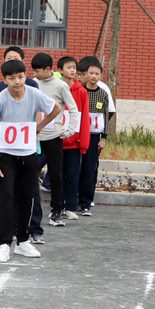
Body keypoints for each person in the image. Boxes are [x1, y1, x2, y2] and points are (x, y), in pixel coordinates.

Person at [0, 58, 62, 263]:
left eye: (20, 77)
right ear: (5, 79)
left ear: (25, 75)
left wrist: (39, 126)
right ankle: (3, 244)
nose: (17, 82)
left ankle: (23, 241)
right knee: (7, 196)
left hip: (28, 153)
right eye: (12, 78)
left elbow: (56, 108)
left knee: (27, 197)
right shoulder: (0, 99)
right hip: (5, 155)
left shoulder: (34, 93)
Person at [31, 52, 78, 236]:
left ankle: (56, 211)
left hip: (54, 138)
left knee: (57, 175)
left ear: (48, 69)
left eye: (38, 71)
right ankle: (30, 210)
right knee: (31, 173)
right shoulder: (33, 85)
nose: (35, 74)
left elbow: (73, 109)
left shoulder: (60, 86)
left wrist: (69, 131)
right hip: (35, 138)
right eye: (33, 70)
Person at [78, 56, 114, 217]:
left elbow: (106, 116)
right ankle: (73, 201)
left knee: (89, 169)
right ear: (86, 73)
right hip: (79, 135)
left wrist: (104, 137)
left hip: (95, 137)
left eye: (97, 73)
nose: (93, 76)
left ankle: (86, 203)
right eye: (90, 73)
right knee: (75, 169)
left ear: (101, 75)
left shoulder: (103, 94)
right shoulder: (80, 91)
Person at [59, 56, 90, 220]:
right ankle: (57, 207)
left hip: (74, 143)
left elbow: (85, 118)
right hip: (56, 141)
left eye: (74, 67)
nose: (72, 70)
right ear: (60, 70)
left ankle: (70, 206)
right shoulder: (56, 89)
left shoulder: (82, 92)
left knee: (72, 175)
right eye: (68, 67)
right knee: (58, 176)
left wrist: (83, 143)